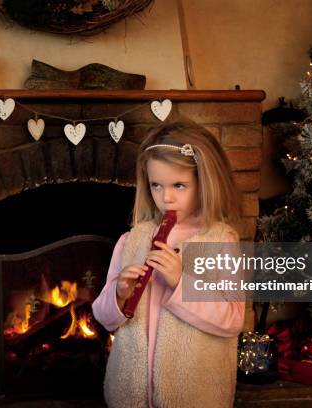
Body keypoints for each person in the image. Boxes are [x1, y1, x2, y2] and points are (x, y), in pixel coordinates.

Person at [92, 121, 246, 408]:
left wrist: (180, 283)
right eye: (156, 185)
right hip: (130, 395)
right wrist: (120, 295)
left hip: (195, 396)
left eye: (179, 185)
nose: (167, 197)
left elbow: (233, 320)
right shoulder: (132, 240)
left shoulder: (220, 240)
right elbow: (103, 316)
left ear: (204, 181)